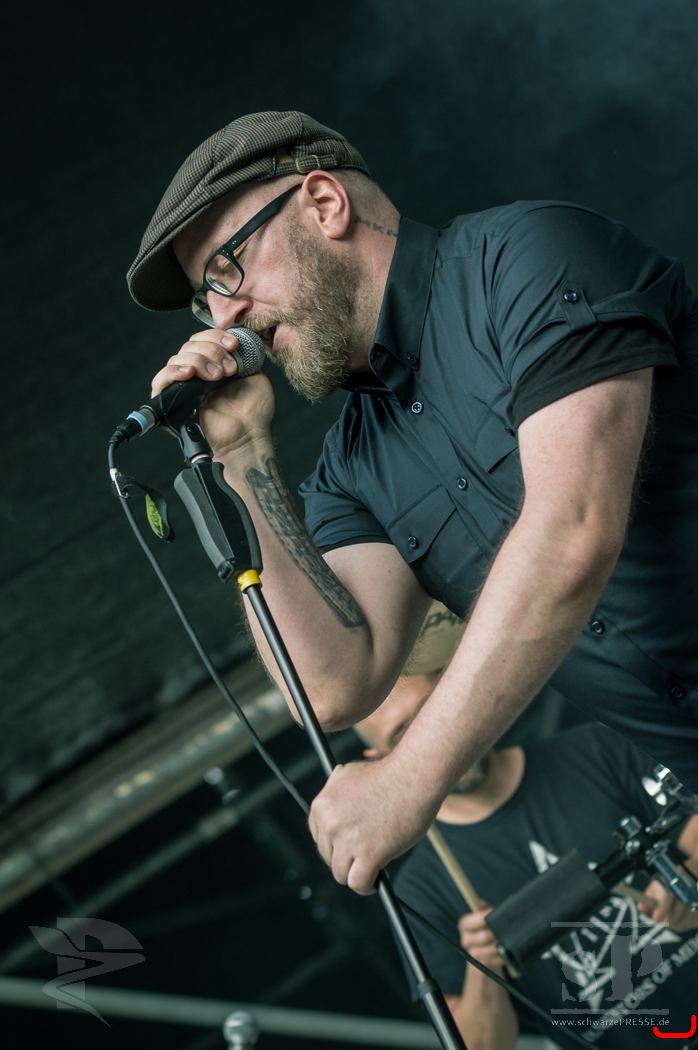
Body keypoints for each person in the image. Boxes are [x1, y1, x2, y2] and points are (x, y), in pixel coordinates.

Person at [125, 109, 698, 896]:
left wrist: (409, 776)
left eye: (228, 270)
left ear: (324, 204)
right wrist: (241, 454)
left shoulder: (526, 257)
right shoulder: (350, 470)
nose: (225, 316)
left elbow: (573, 530)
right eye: (205, 302)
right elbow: (332, 688)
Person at [354, 621, 698, 1049]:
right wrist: (483, 969)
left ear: (455, 698)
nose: (429, 742)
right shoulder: (420, 890)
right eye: (402, 735)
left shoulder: (595, 750)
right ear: (380, 760)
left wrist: (690, 875)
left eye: (430, 713)